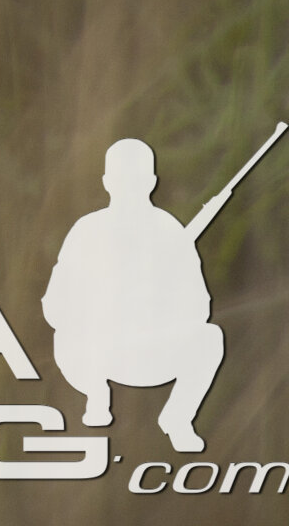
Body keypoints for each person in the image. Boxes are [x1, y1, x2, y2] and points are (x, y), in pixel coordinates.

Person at [50, 138, 228, 453]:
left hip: (153, 354)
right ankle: (96, 397)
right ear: (106, 182)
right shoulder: (86, 230)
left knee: (210, 338)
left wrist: (159, 305)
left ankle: (178, 418)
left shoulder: (172, 232)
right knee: (66, 334)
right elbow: (55, 304)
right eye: (121, 179)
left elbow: (200, 307)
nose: (128, 187)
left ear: (152, 183)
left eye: (136, 180)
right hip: (96, 354)